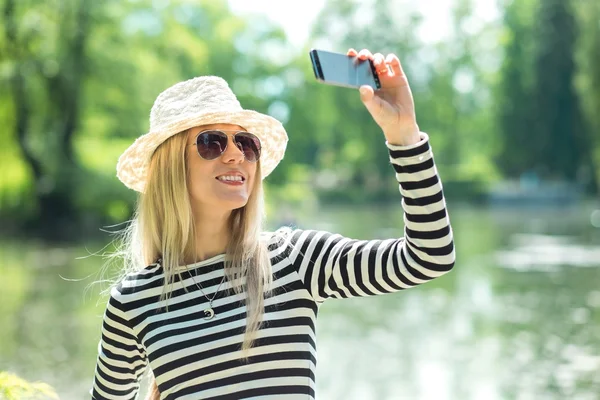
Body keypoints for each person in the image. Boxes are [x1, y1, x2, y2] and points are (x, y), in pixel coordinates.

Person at [90, 47, 455, 400]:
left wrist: (405, 137)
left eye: (246, 143)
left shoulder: (294, 259)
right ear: (171, 168)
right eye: (211, 143)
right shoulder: (133, 301)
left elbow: (429, 256)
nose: (235, 154)